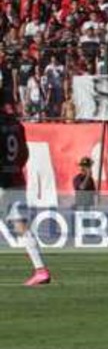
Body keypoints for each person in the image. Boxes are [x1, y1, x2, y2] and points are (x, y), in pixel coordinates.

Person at [1, 109, 49, 285]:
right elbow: (24, 153)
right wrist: (14, 169)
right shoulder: (15, 123)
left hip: (2, 181)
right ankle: (41, 270)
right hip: (17, 178)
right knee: (21, 225)